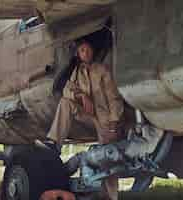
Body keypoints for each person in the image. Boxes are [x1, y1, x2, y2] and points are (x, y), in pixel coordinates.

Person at [39, 40, 124, 200]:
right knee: (65, 103)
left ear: (92, 51)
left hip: (104, 119)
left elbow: (114, 98)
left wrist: (113, 123)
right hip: (87, 115)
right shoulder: (77, 72)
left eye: (87, 49)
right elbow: (66, 91)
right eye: (81, 50)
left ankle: (110, 196)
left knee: (107, 156)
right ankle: (54, 143)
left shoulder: (102, 70)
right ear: (78, 54)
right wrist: (81, 95)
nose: (85, 53)